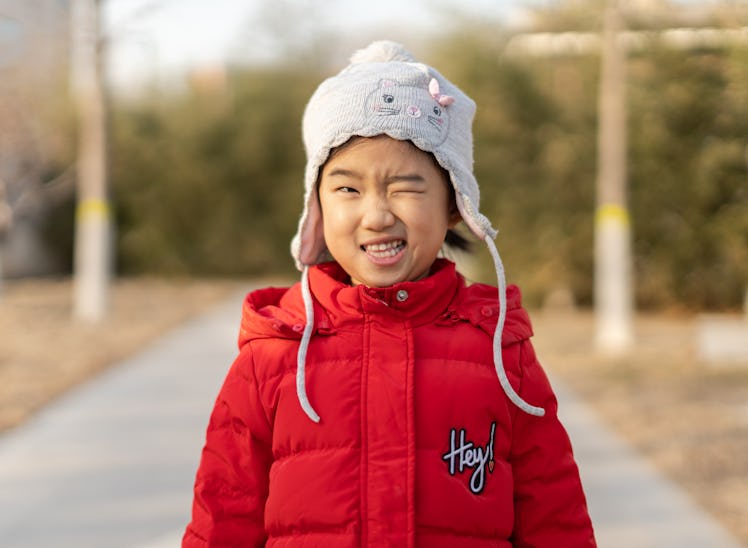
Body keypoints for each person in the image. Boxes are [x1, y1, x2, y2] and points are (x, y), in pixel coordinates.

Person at [183, 40, 596, 547]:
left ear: (453, 205)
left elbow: (556, 516)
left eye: (405, 186)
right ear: (317, 208)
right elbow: (221, 517)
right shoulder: (275, 353)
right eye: (348, 189)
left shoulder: (500, 353)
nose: (376, 215)